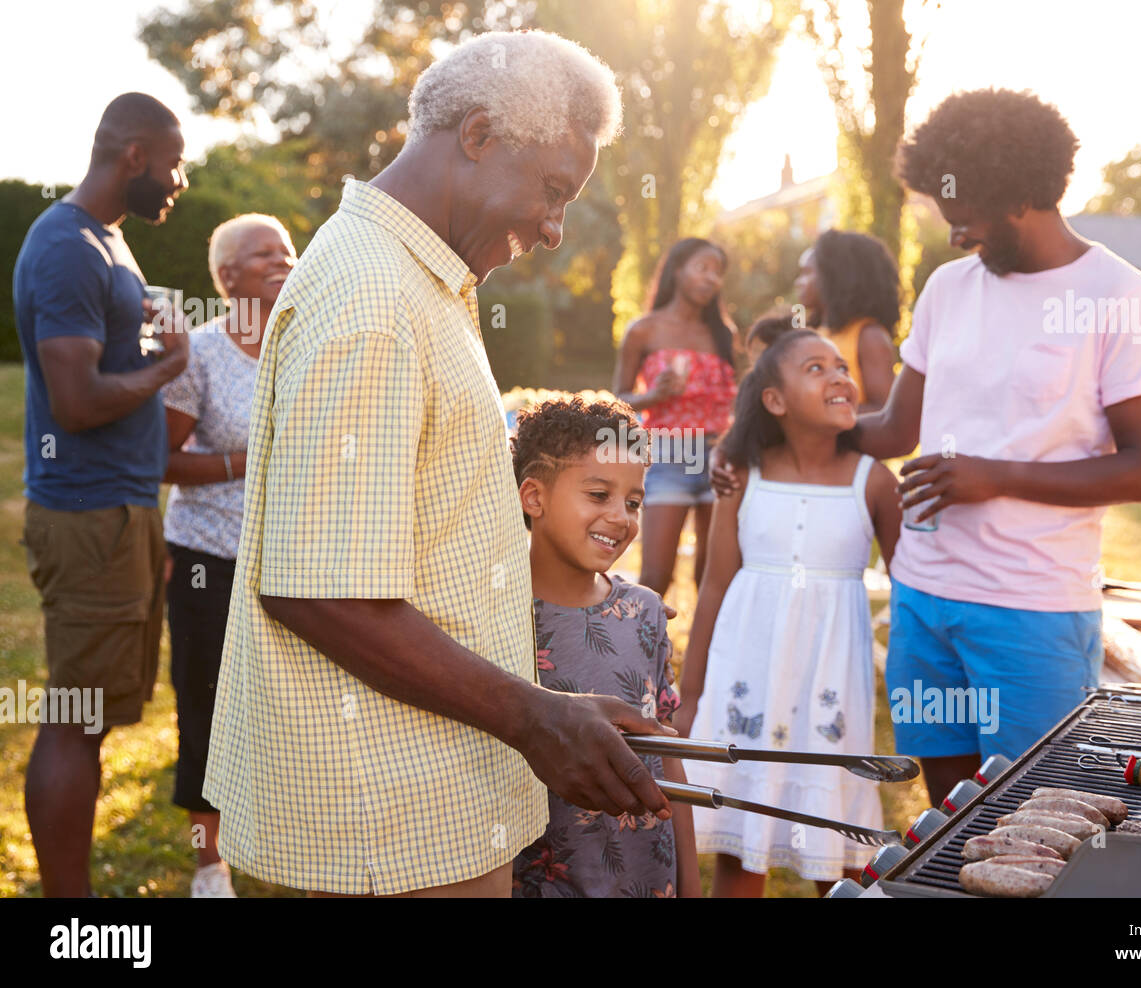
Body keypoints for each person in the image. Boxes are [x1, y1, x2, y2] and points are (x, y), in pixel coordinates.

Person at [203, 30, 677, 899]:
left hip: (424, 799)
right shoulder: (376, 301)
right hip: (380, 825)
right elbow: (322, 589)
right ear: (479, 135)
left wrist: (558, 710)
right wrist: (538, 719)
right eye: (552, 191)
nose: (553, 228)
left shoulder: (421, 282)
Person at [716, 89, 1141, 808]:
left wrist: (993, 476)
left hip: (1032, 607)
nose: (956, 236)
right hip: (924, 598)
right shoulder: (948, 288)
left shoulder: (1119, 295)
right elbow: (898, 427)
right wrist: (760, 440)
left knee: (1038, 814)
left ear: (1021, 194)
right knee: (950, 814)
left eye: (966, 219)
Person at [13, 92, 189, 897]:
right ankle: (68, 918)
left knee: (96, 714)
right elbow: (77, 402)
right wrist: (165, 368)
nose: (179, 180)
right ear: (133, 156)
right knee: (76, 717)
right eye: (173, 162)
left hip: (121, 512)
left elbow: (110, 362)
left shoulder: (108, 243)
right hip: (89, 514)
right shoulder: (67, 247)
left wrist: (152, 343)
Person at [677, 330, 901, 897]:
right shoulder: (742, 476)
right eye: (816, 368)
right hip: (747, 682)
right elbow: (713, 588)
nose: (838, 377)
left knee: (841, 850)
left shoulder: (871, 480)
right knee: (741, 842)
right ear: (774, 401)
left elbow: (912, 591)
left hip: (832, 686)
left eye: (841, 366)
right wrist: (692, 695)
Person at [509, 394, 700, 897]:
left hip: (644, 874)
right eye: (598, 495)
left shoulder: (644, 614)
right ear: (534, 497)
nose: (621, 517)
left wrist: (691, 882)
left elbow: (666, 751)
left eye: (633, 502)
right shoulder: (497, 617)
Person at [160, 213, 295, 897]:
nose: (281, 259)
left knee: (291, 705)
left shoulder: (313, 342)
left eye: (287, 249)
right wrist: (248, 460)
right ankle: (210, 862)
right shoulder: (202, 354)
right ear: (226, 276)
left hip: (296, 562)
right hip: (209, 558)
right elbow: (164, 458)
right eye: (261, 252)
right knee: (207, 703)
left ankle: (287, 838)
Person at [612, 237, 739, 596]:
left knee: (713, 577)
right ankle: (640, 651)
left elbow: (735, 400)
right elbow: (617, 399)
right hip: (669, 456)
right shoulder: (644, 330)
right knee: (656, 576)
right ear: (678, 271)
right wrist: (653, 395)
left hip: (718, 456)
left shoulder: (723, 334)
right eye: (703, 268)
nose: (712, 278)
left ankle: (711, 653)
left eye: (718, 272)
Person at [793, 229, 899, 411]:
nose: (798, 282)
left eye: (807, 273)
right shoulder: (811, 332)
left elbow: (886, 413)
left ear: (835, 277)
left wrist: (822, 413)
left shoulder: (868, 336)